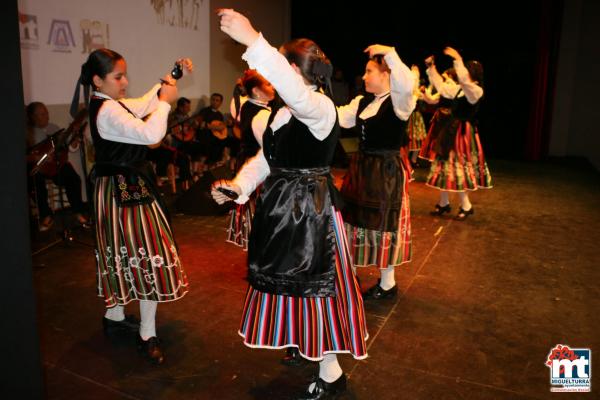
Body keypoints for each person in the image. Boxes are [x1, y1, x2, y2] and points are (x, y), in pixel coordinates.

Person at [214, 9, 368, 399]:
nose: (274, 75)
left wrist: (254, 41)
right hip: (285, 210)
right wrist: (237, 186)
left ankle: (331, 374)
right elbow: (267, 159)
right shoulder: (282, 113)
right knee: (295, 288)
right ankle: (306, 346)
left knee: (318, 292)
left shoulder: (317, 108)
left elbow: (297, 94)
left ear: (295, 71)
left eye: (282, 66)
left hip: (312, 213)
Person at [78, 48, 191, 364]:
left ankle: (114, 319)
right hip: (124, 191)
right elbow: (151, 134)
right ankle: (146, 333)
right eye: (118, 76)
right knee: (146, 256)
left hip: (118, 190)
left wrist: (171, 77)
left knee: (124, 254)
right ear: (99, 80)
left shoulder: (107, 103)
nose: (125, 81)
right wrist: (167, 102)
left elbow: (142, 103)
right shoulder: (109, 111)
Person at [337, 44, 416, 300]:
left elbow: (406, 83)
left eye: (370, 71)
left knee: (383, 224)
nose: (364, 76)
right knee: (355, 220)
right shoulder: (362, 102)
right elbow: (337, 117)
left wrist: (390, 52)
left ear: (386, 75)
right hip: (362, 169)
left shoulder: (399, 102)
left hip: (386, 173)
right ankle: (350, 275)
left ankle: (387, 283)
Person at [419, 47, 492, 220]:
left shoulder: (476, 90)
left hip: (462, 134)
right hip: (451, 130)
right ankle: (444, 203)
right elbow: (441, 87)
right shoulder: (460, 89)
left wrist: (457, 59)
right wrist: (431, 67)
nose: (464, 71)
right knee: (445, 166)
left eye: (466, 69)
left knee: (458, 167)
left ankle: (466, 205)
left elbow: (465, 83)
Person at [226, 69, 275, 250]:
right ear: (256, 90)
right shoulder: (262, 115)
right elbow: (271, 149)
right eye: (269, 84)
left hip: (246, 161)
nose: (273, 86)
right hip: (258, 168)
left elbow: (236, 107)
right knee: (262, 217)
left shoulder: (245, 106)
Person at [26, 102, 89, 231]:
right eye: (43, 114)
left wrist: (74, 141)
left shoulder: (54, 128)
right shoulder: (28, 134)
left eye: (47, 113)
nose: (47, 116)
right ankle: (46, 215)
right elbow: (24, 156)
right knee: (35, 181)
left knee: (73, 178)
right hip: (39, 168)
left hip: (56, 166)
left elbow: (69, 148)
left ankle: (78, 212)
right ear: (33, 117)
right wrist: (38, 157)